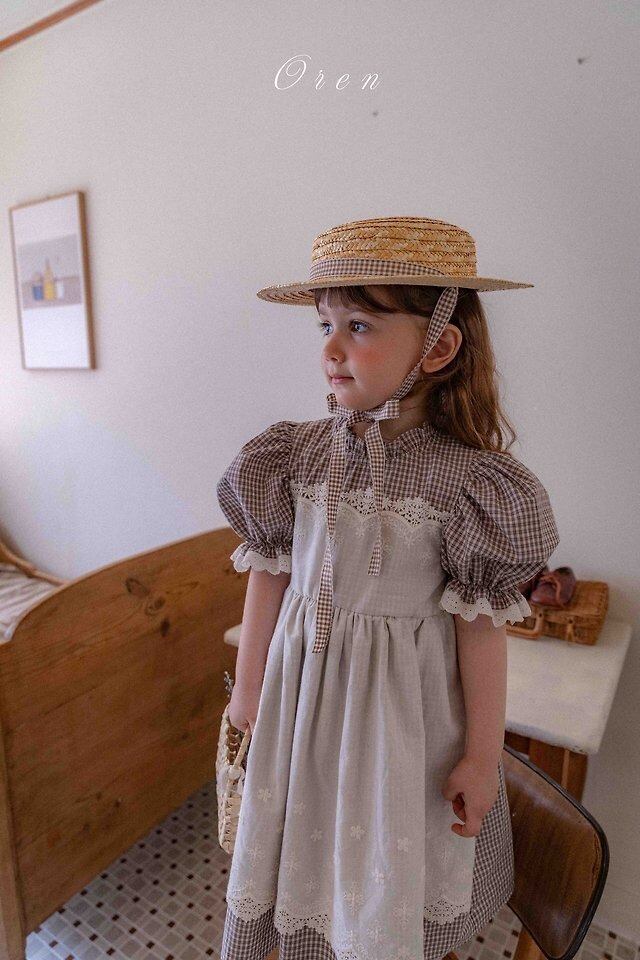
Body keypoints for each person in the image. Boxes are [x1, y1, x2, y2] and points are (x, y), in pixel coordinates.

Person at [216, 216, 560, 960]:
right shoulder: (294, 455)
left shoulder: (472, 483)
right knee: (299, 852)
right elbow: (271, 571)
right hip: (300, 706)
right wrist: (247, 692)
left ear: (438, 347)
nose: (330, 348)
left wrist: (482, 756)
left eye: (360, 325)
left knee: (379, 866)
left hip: (402, 725)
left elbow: (480, 631)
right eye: (326, 325)